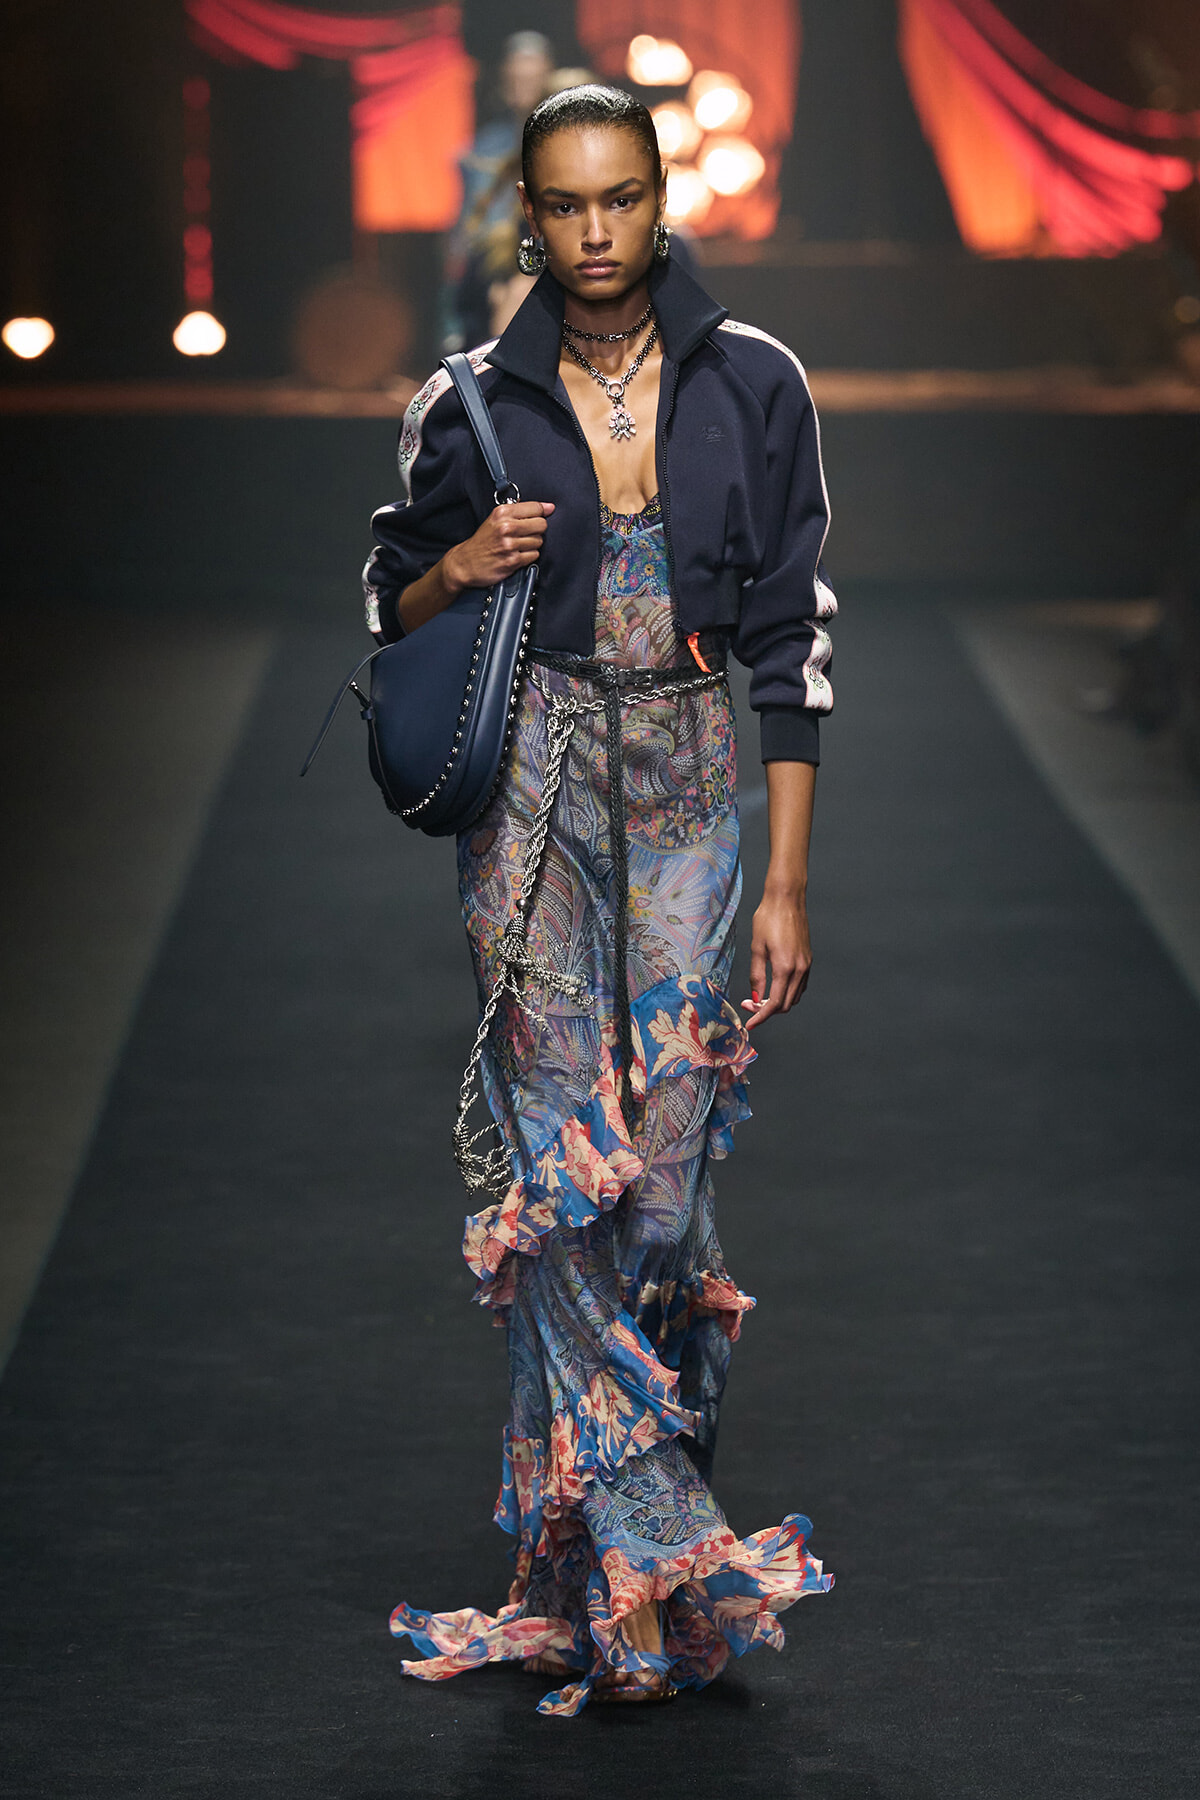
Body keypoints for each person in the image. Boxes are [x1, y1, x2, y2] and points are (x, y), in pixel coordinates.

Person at [362, 84, 836, 1716]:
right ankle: (639, 1579)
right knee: (561, 1174)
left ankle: (624, 1552)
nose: (596, 232)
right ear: (528, 217)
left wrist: (785, 876)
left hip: (703, 779)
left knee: (668, 1187)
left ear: (657, 196)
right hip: (538, 795)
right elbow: (384, 599)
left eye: (620, 197)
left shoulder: (756, 382)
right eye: (563, 206)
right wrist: (461, 569)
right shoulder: (467, 403)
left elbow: (794, 633)